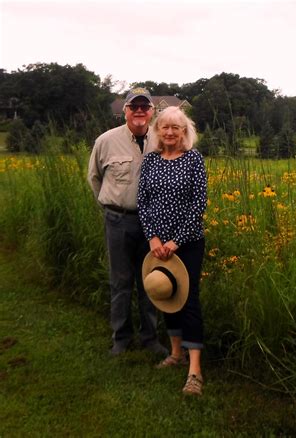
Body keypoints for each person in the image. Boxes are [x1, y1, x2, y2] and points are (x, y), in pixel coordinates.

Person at [87, 87, 168, 357]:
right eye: (134, 107)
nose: (140, 111)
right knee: (120, 283)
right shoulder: (106, 141)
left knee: (151, 282)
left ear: (152, 111)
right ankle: (120, 338)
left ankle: (150, 338)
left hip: (152, 227)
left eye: (145, 107)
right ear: (125, 110)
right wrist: (111, 206)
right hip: (118, 221)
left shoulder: (163, 141)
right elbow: (94, 178)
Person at [137, 106, 207, 396]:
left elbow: (198, 204)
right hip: (157, 245)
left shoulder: (193, 160)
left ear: (184, 131)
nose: (169, 132)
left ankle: (195, 370)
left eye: (175, 127)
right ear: (157, 131)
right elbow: (143, 201)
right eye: (163, 127)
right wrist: (153, 239)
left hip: (186, 244)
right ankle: (175, 353)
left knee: (188, 300)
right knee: (165, 295)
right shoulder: (151, 161)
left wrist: (175, 242)